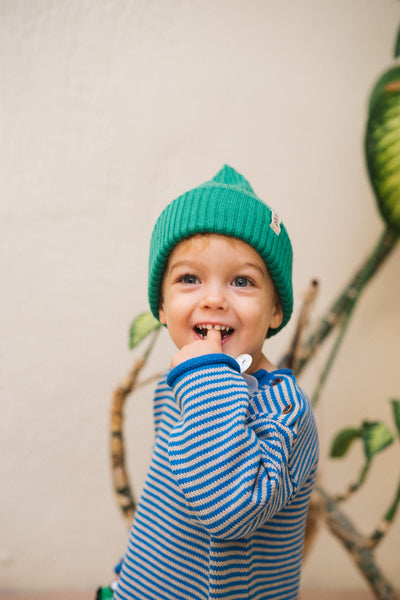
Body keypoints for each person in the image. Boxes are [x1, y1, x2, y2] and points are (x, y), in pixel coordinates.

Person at [113, 165, 319, 600]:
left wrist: (206, 376)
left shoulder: (284, 408)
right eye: (189, 279)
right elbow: (168, 500)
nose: (213, 298)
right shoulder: (178, 386)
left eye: (242, 281)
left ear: (276, 311)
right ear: (163, 307)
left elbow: (231, 509)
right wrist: (132, 572)